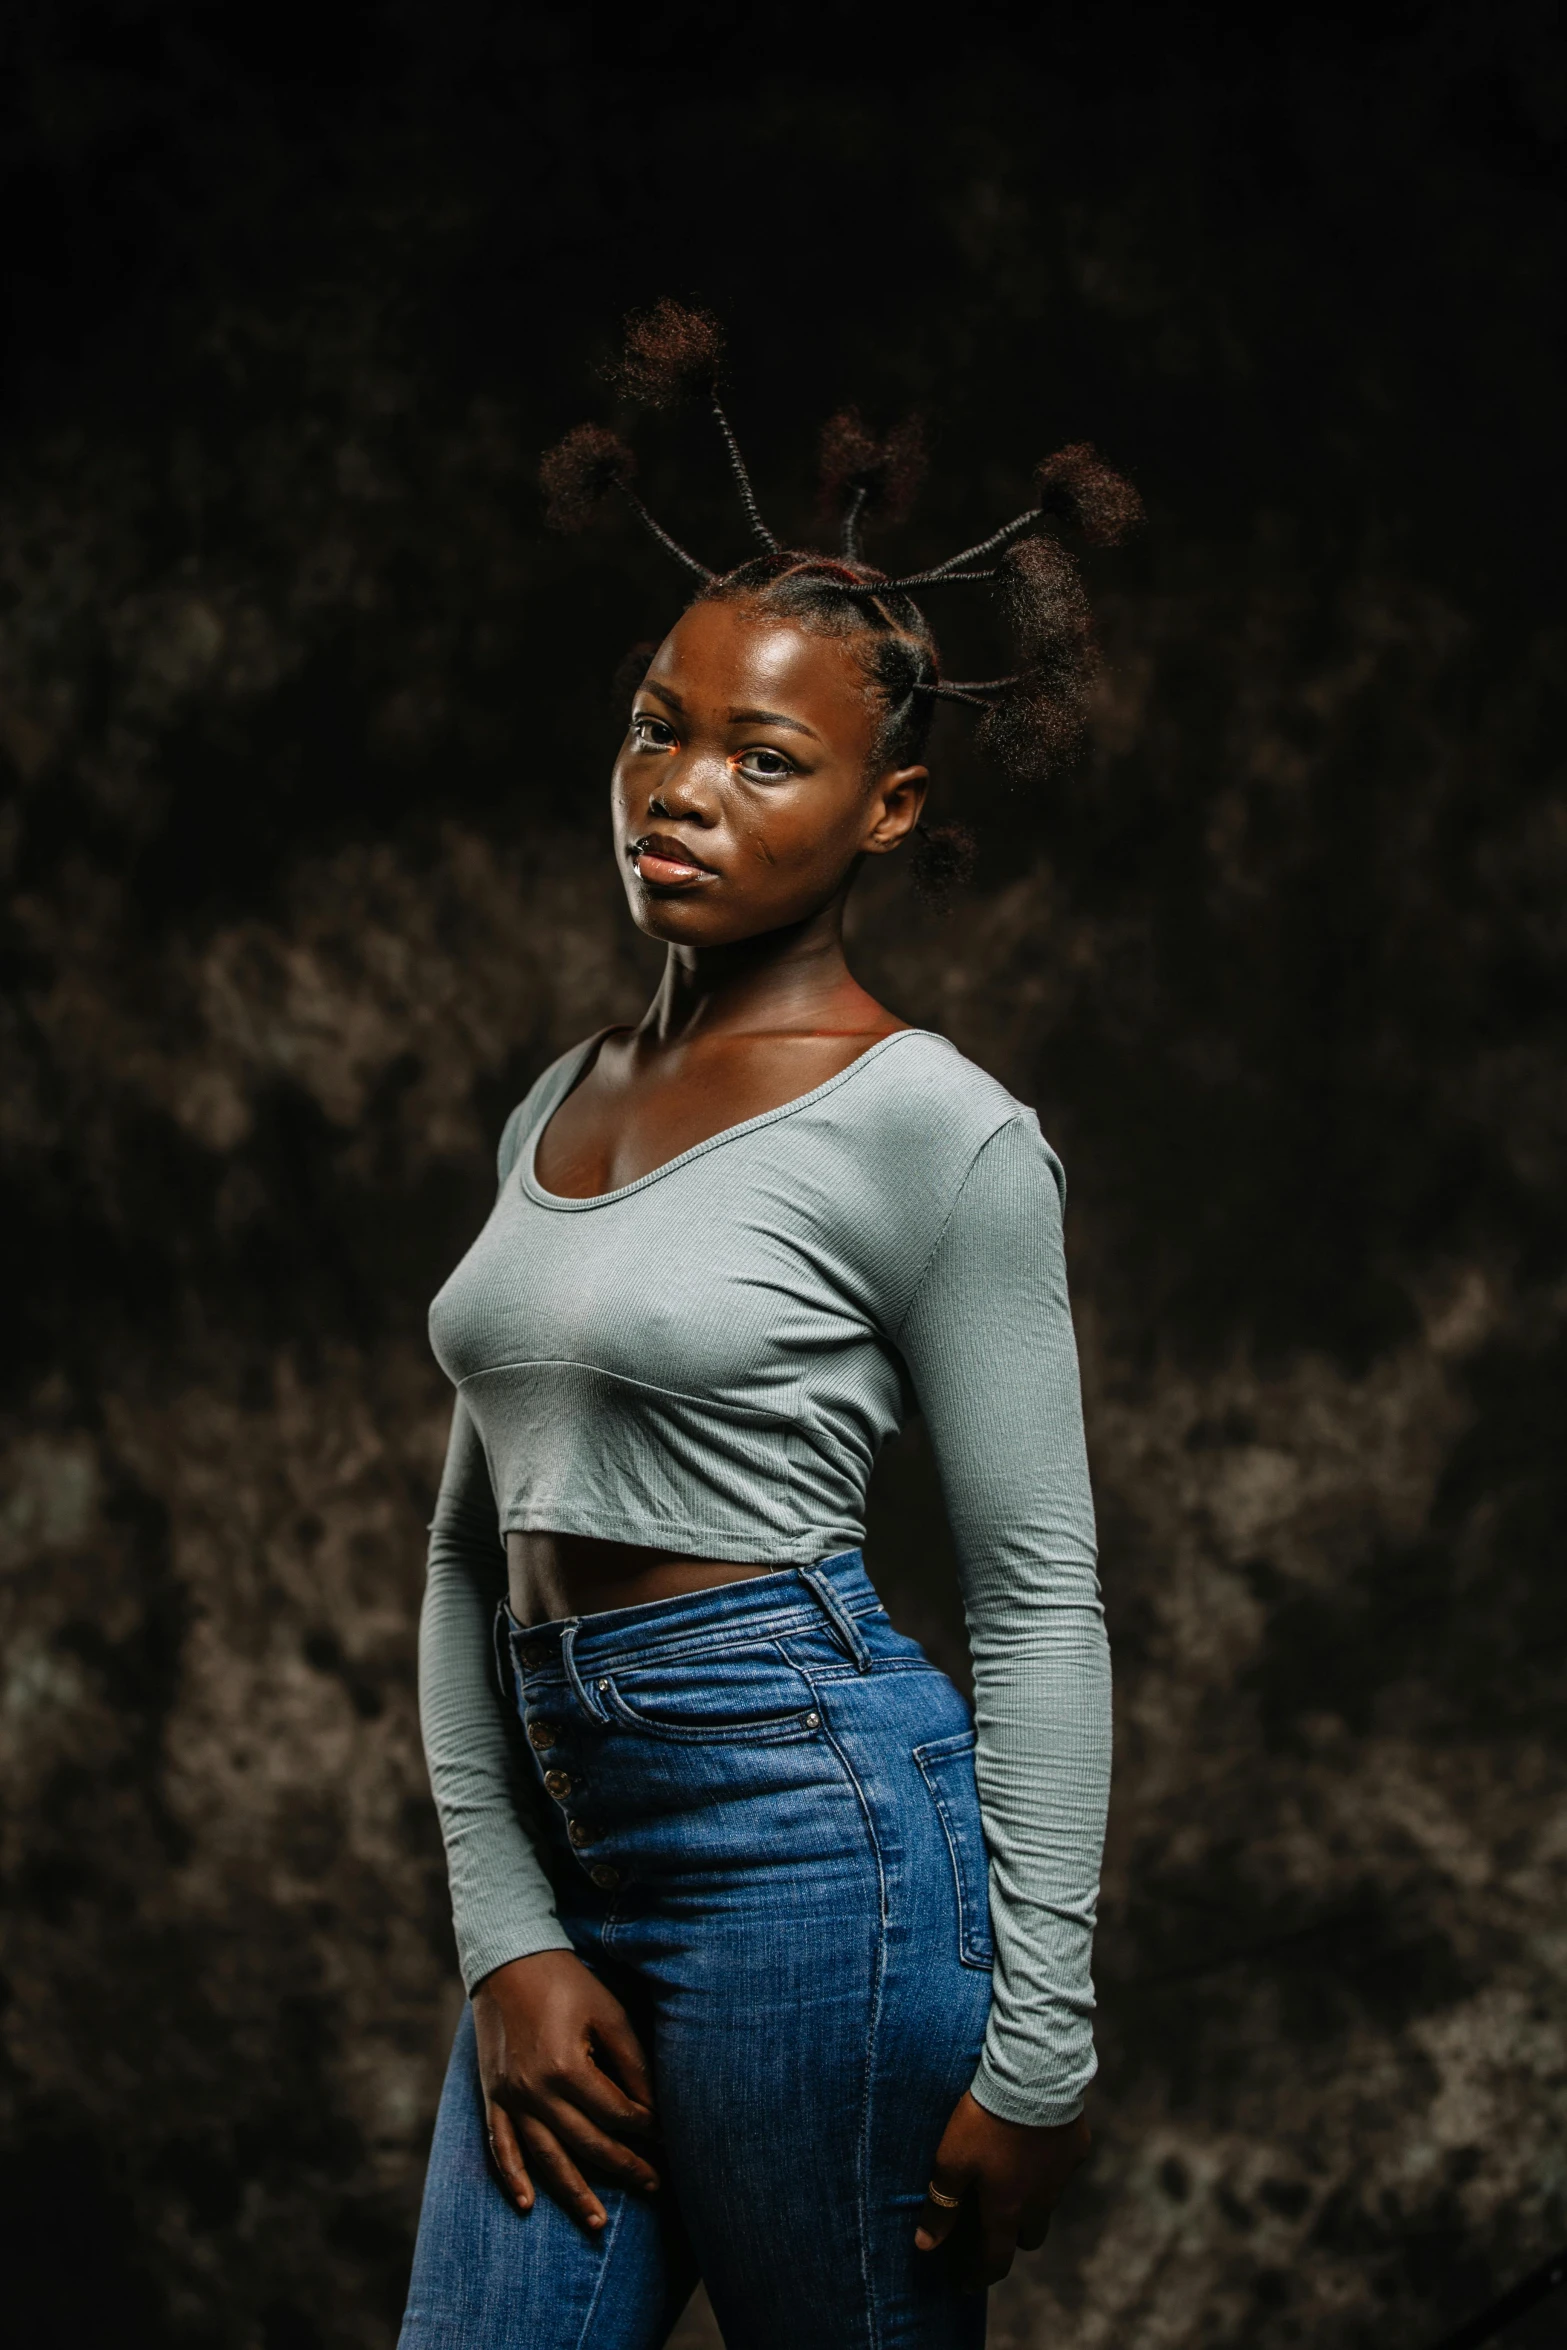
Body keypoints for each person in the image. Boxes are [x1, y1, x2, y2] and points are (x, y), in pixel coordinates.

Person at [398, 303, 1139, 2350]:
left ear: (886, 811)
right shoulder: (555, 1099)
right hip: (580, 1850)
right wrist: (507, 1925)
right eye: (658, 723)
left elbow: (1041, 1598)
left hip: (820, 1846)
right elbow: (474, 1555)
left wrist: (1045, 2044)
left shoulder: (938, 1128)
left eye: (765, 754)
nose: (682, 786)